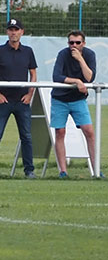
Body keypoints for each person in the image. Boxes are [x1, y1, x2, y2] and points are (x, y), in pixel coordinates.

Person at [0, 18, 37, 179]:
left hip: (22, 101)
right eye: (11, 29)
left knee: (26, 136)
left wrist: (29, 94)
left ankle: (29, 170)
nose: (13, 32)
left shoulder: (28, 51)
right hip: (3, 101)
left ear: (22, 32)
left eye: (16, 29)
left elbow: (33, 73)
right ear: (7, 32)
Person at [50, 30, 99, 178]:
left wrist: (80, 60)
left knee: (89, 131)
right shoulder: (63, 54)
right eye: (71, 42)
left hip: (78, 100)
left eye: (78, 43)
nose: (74, 46)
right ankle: (63, 171)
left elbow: (89, 78)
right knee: (60, 132)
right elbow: (56, 76)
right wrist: (77, 81)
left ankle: (96, 171)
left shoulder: (89, 55)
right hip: (60, 99)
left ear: (83, 43)